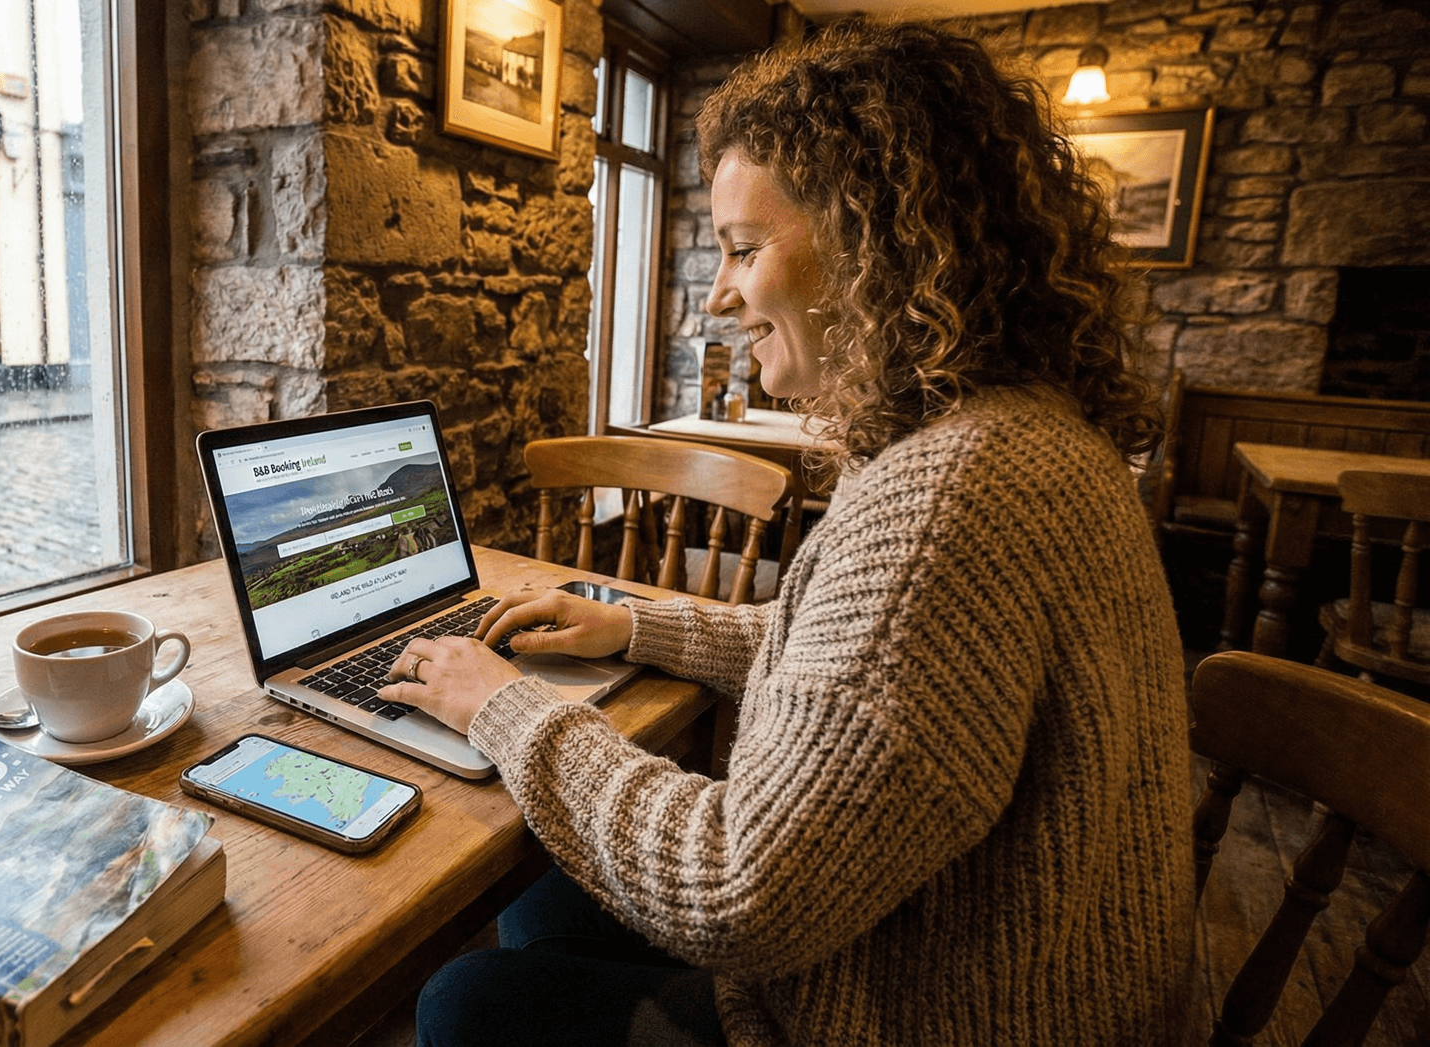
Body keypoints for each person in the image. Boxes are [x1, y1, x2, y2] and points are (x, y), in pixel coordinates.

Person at [377, 19, 1193, 1047]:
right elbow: (850, 667)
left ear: (878, 241)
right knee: (543, 893)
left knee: (463, 998)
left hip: (921, 1008)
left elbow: (737, 890)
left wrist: (502, 706)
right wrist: (631, 626)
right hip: (956, 950)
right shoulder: (997, 430)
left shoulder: (949, 500)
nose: (720, 295)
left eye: (743, 249)